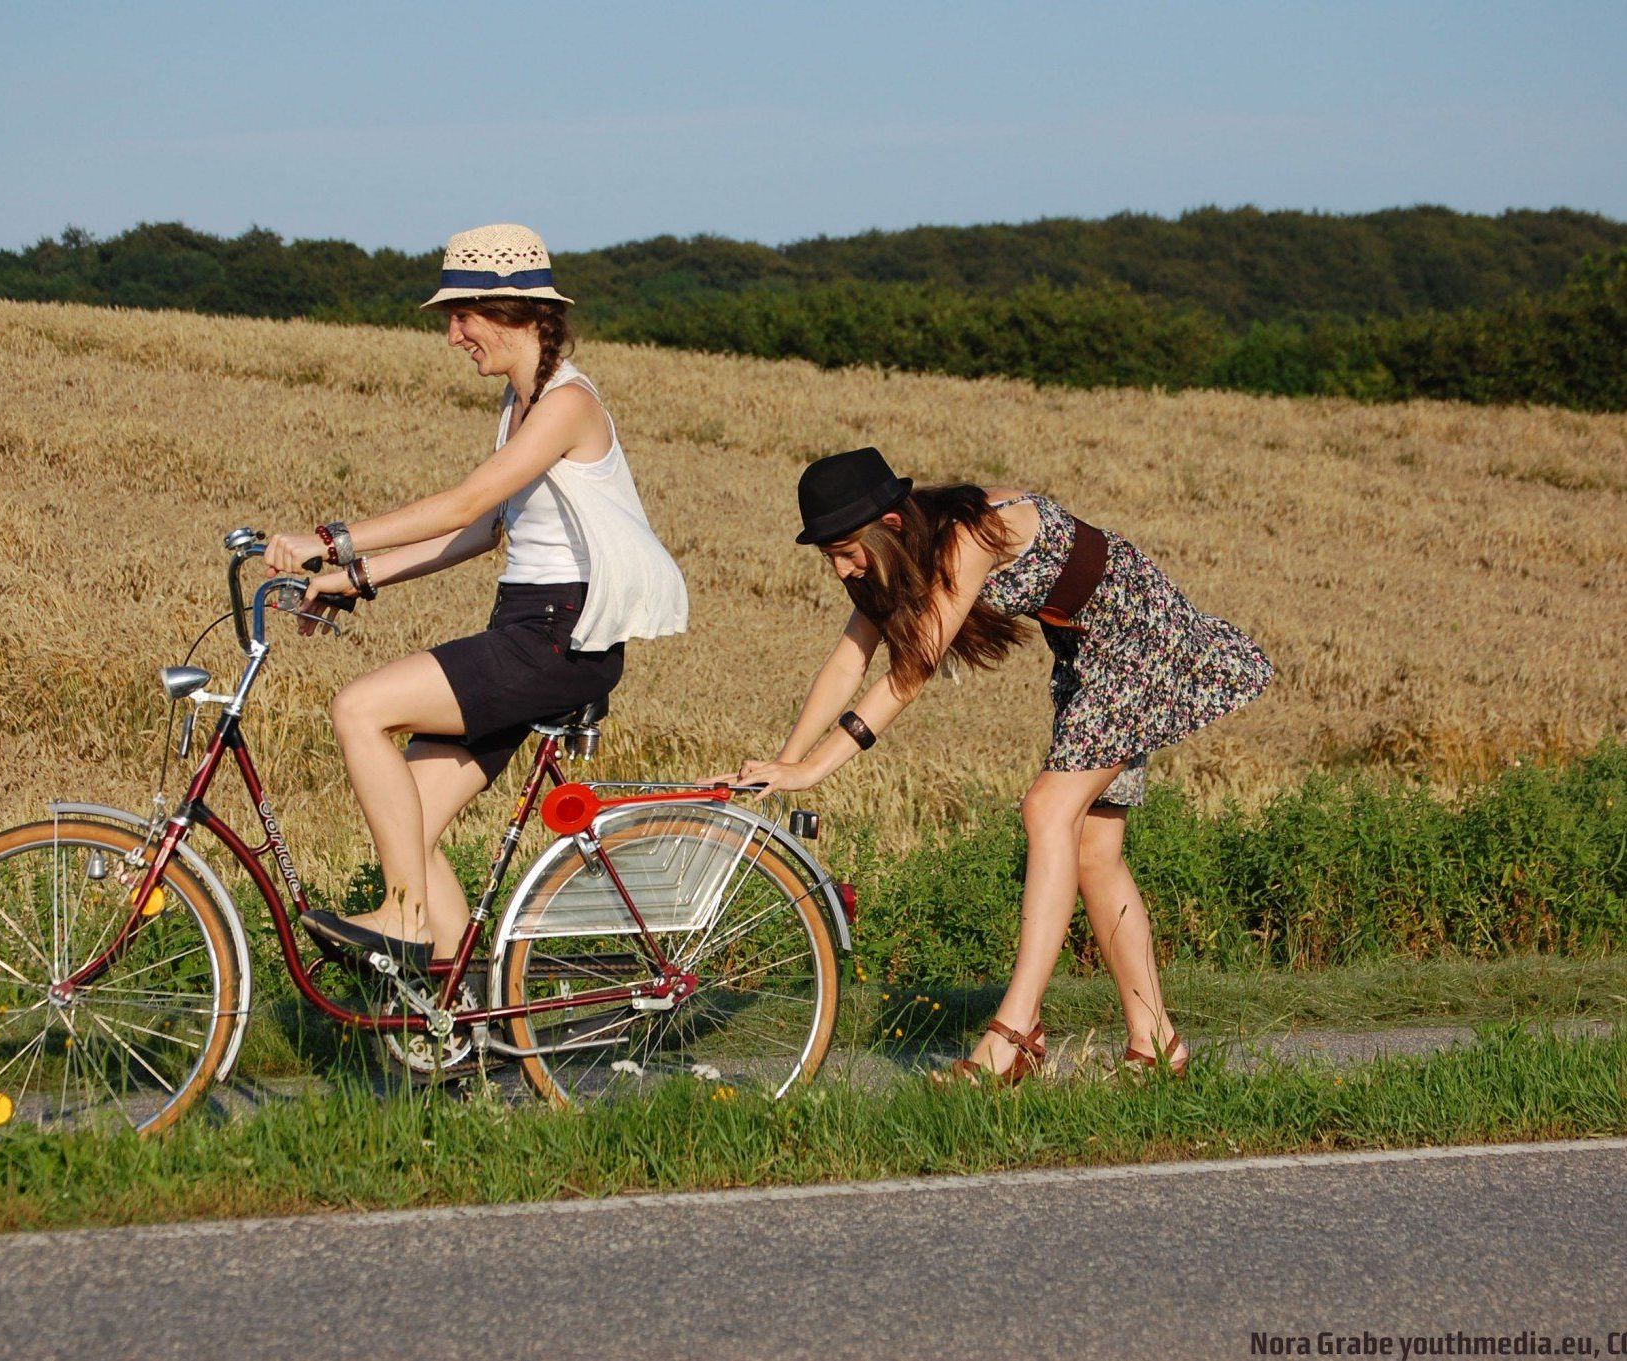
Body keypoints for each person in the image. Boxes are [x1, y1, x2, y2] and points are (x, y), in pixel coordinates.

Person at [715, 447, 1272, 1081]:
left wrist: (817, 769)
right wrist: (784, 763)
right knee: (1094, 852)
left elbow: (912, 671)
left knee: (1047, 810)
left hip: (1141, 642)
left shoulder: (968, 535)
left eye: (846, 552)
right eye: (830, 557)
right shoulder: (897, 554)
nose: (842, 569)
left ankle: (1015, 1032)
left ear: (889, 525)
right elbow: (849, 661)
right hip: (1088, 656)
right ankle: (1157, 1046)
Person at [264, 223, 687, 971]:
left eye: (463, 316)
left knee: (357, 708)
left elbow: (462, 505)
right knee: (410, 823)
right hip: (529, 626)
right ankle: (457, 1009)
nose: (453, 336)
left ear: (516, 312)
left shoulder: (567, 402)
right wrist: (351, 577)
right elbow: (482, 531)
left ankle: (403, 917)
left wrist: (330, 539)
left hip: (559, 635)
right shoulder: (519, 404)